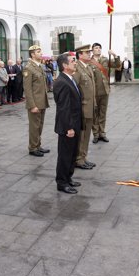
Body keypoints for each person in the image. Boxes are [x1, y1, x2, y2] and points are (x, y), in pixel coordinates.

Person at [53, 53, 82, 194]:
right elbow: (64, 109)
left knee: (72, 154)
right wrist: (69, 128)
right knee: (65, 155)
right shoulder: (62, 82)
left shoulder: (69, 79)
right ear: (65, 65)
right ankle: (62, 182)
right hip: (67, 126)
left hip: (74, 123)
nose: (75, 63)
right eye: (73, 61)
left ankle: (68, 177)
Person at [90, 43, 120, 143]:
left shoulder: (105, 60)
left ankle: (102, 133)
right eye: (96, 48)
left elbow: (117, 65)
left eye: (99, 48)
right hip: (94, 92)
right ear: (92, 50)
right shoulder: (89, 62)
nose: (98, 49)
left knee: (102, 113)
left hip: (104, 90)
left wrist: (114, 55)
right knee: (95, 114)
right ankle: (95, 134)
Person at [23, 45, 50, 157]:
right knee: (34, 126)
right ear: (32, 54)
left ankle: (38, 145)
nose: (41, 53)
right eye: (38, 52)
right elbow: (27, 89)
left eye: (40, 51)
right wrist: (32, 105)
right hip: (35, 103)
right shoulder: (28, 68)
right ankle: (33, 147)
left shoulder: (39, 66)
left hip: (42, 101)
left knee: (40, 125)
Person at [73, 44, 96, 170]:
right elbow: (74, 89)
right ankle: (78, 159)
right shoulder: (77, 69)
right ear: (80, 55)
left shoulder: (87, 68)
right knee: (81, 135)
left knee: (87, 135)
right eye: (86, 52)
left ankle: (83, 157)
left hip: (90, 107)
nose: (89, 54)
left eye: (89, 52)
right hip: (82, 108)